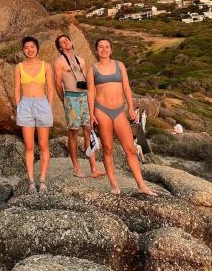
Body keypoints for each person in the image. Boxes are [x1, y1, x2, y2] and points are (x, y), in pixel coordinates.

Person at [87, 38, 156, 196]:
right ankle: (113, 184)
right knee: (108, 148)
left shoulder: (119, 65)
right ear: (96, 50)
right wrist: (91, 113)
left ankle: (141, 185)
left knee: (130, 149)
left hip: (119, 110)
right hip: (101, 110)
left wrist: (131, 107)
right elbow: (90, 93)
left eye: (107, 47)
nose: (104, 50)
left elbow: (126, 87)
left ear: (111, 50)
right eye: (101, 47)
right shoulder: (92, 69)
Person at [54, 34, 106, 179]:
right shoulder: (59, 62)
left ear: (71, 42)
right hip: (71, 98)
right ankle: (76, 168)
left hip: (85, 97)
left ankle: (94, 168)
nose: (65, 42)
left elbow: (87, 80)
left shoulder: (81, 60)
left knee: (89, 131)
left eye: (66, 40)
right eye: (61, 42)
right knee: (73, 133)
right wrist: (64, 100)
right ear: (60, 47)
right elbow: (58, 83)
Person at [14, 36, 54, 194]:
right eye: (26, 47)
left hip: (42, 103)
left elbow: (50, 88)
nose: (29, 50)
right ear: (23, 50)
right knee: (29, 145)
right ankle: (31, 181)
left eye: (32, 46)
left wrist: (48, 106)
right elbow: (17, 88)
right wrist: (19, 106)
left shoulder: (46, 65)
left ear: (37, 48)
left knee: (44, 145)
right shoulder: (19, 67)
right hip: (26, 105)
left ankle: (42, 180)